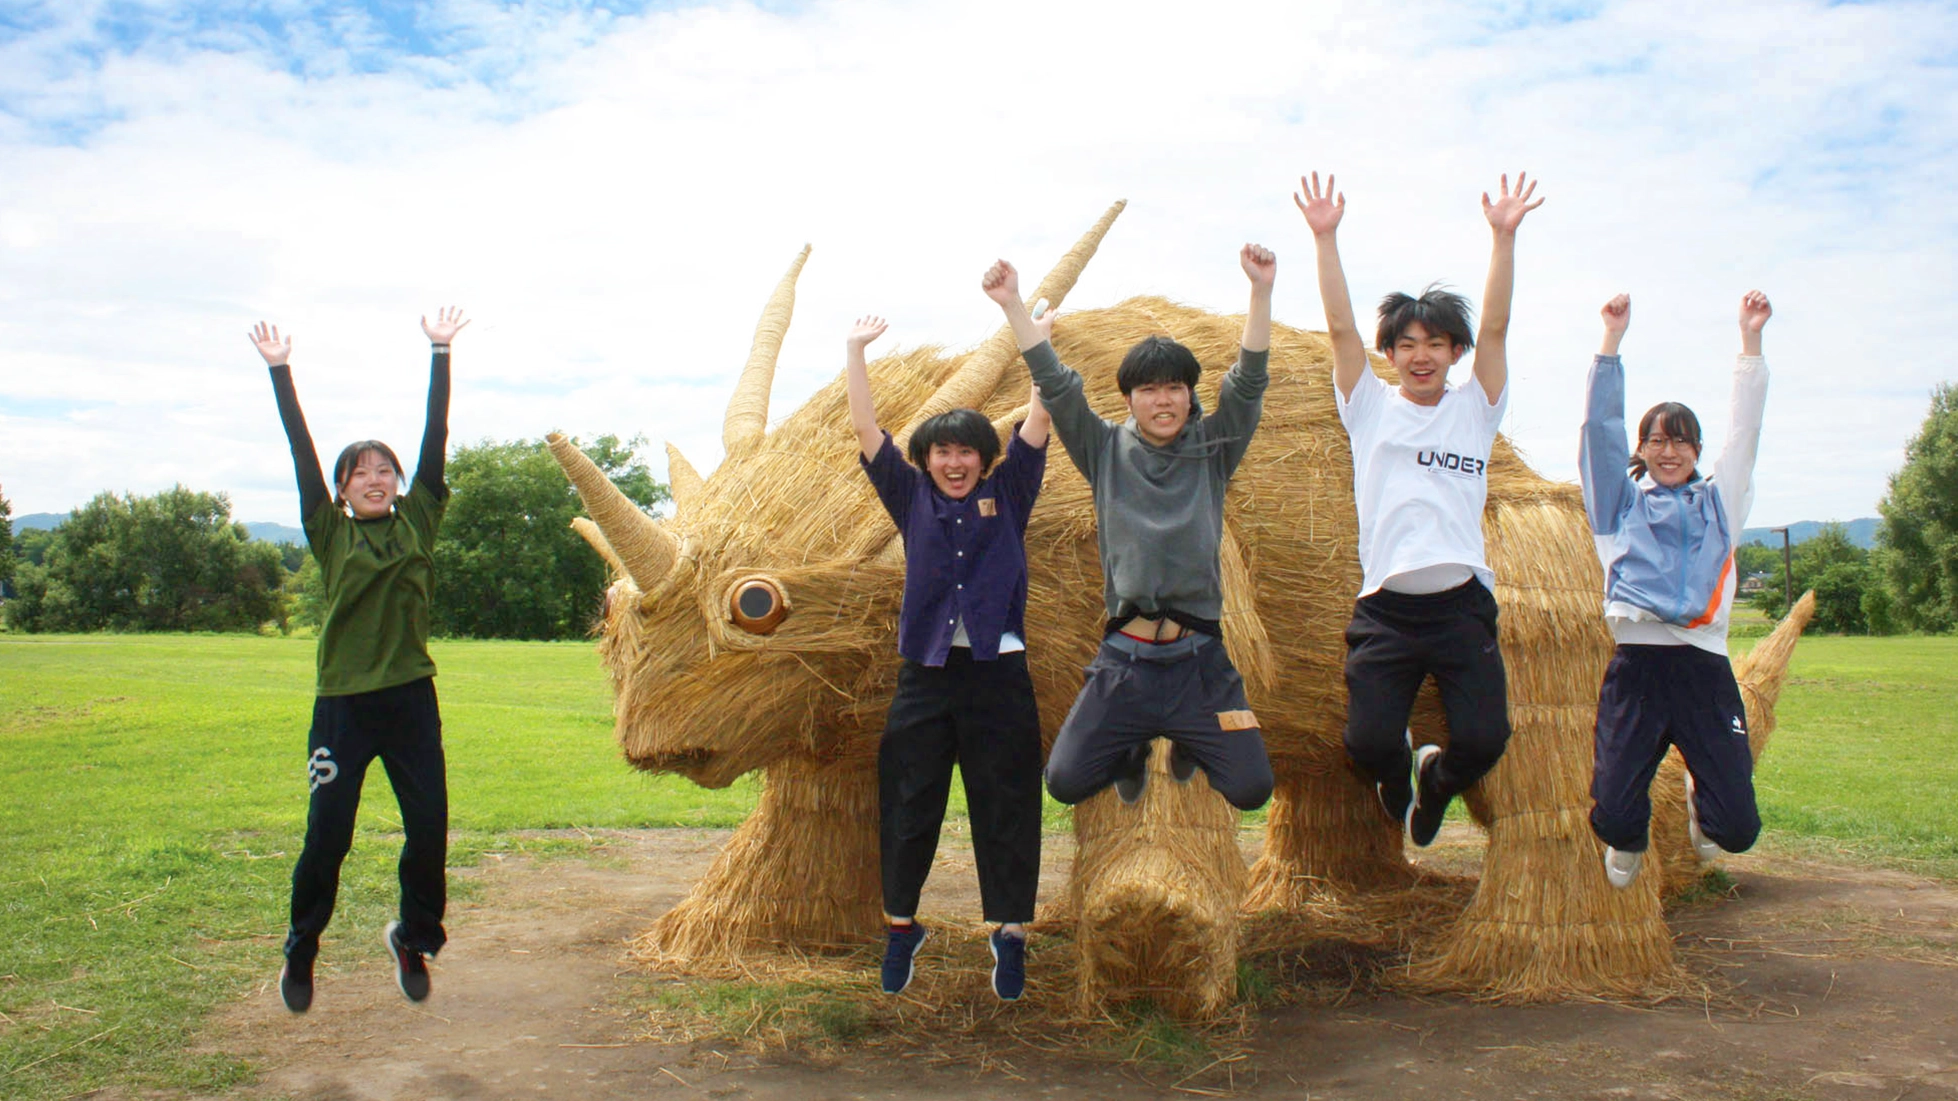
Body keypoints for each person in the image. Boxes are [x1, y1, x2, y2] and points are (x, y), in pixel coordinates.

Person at [984, 246, 1278, 813]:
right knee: (1064, 781)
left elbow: (1248, 383)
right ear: (1129, 398)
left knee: (1250, 790)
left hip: (1201, 663)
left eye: (1174, 388)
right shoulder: (1104, 450)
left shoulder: (1214, 448)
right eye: (1148, 389)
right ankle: (1130, 750)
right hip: (1126, 660)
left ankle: (1191, 738)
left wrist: (1260, 290)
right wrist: (1013, 305)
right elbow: (1057, 385)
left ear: (1189, 395)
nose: (1162, 400)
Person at [1297, 170, 1543, 847]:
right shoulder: (1369, 408)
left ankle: (1437, 781)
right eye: (1407, 344)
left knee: (1487, 737)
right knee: (1368, 741)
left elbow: (1497, 324)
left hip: (1462, 605)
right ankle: (1399, 773)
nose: (1421, 355)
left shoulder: (1475, 408)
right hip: (1387, 609)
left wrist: (1503, 236)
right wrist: (1325, 237)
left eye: (1435, 343)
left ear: (1454, 353)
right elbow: (1341, 327)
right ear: (1392, 355)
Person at [250, 308, 466, 1013]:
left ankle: (414, 936)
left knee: (428, 826)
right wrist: (281, 370)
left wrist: (440, 352)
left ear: (401, 484)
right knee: (328, 836)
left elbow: (436, 435)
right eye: (359, 473)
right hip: (342, 706)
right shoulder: (328, 533)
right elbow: (300, 447)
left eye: (385, 470)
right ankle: (302, 946)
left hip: (409, 701)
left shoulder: (420, 518)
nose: (374, 478)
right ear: (341, 491)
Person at [848, 312, 1052, 1001]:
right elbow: (868, 434)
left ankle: (1009, 933)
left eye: (967, 452)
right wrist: (855, 352)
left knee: (1008, 802)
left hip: (1000, 676)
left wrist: (1035, 338)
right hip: (926, 677)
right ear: (926, 460)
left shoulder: (1010, 491)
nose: (956, 462)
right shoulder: (910, 499)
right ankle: (902, 926)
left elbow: (1037, 420)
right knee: (909, 799)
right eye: (943, 453)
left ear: (983, 458)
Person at [1581, 290, 1772, 888]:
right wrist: (1610, 344)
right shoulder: (1618, 509)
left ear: (1696, 450)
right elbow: (1598, 432)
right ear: (1641, 450)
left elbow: (1746, 433)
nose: (1670, 451)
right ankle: (1626, 836)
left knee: (1737, 833)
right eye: (1657, 441)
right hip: (1637, 670)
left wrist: (1750, 341)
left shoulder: (1722, 506)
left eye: (1682, 441)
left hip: (1703, 673)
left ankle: (1703, 797)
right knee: (1611, 813)